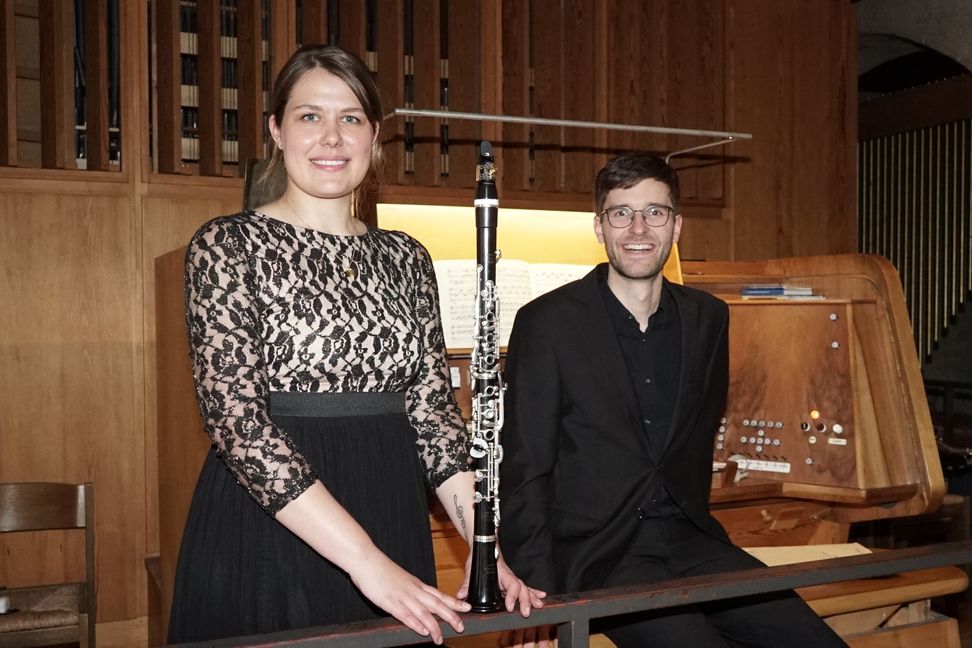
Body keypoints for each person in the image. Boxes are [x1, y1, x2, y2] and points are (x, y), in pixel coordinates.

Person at [167, 44, 543, 645]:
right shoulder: (225, 245)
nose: (332, 138)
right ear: (276, 131)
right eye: (309, 116)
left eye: (351, 119)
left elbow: (434, 419)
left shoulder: (406, 257)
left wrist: (485, 545)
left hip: (388, 507)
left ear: (375, 136)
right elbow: (236, 423)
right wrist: (365, 561)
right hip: (275, 523)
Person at [498, 153, 847, 647]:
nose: (638, 227)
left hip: (692, 538)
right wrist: (537, 596)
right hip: (601, 555)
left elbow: (700, 434)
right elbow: (525, 469)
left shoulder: (708, 317)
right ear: (599, 227)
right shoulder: (546, 323)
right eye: (621, 213)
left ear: (677, 225)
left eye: (655, 212)